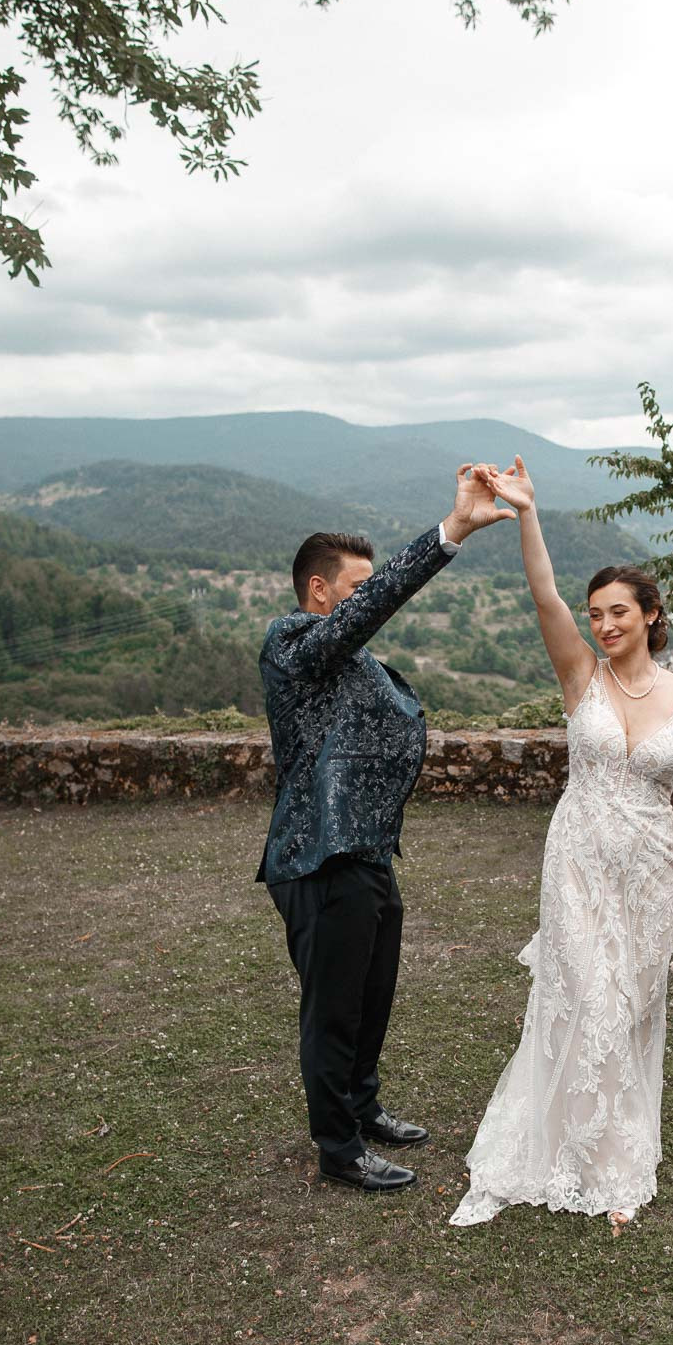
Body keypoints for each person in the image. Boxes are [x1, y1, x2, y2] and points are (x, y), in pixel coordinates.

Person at [449, 455, 673, 1230]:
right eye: (596, 613)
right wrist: (527, 513)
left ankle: (615, 1157)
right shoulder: (582, 678)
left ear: (651, 616)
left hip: (651, 868)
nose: (603, 625)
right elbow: (543, 597)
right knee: (581, 996)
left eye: (618, 613)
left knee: (632, 1006)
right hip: (576, 856)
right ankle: (571, 1153)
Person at [257, 466, 514, 1193]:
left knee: (373, 993)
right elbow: (374, 608)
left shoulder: (344, 654)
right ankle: (338, 1148)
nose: (367, 598)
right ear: (320, 591)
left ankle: (362, 1108)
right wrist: (451, 533)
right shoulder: (292, 642)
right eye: (356, 587)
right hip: (317, 854)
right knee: (333, 1008)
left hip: (364, 850)